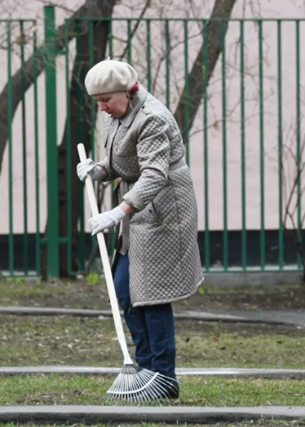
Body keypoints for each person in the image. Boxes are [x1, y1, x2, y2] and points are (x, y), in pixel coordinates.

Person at [76, 58, 204, 399]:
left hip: (163, 213)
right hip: (137, 215)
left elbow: (154, 174)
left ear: (127, 92)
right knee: (125, 292)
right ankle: (144, 367)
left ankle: (163, 376)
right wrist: (98, 170)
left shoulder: (153, 118)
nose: (102, 108)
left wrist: (116, 213)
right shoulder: (119, 114)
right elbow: (124, 160)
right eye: (97, 101)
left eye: (106, 100)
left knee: (151, 296)